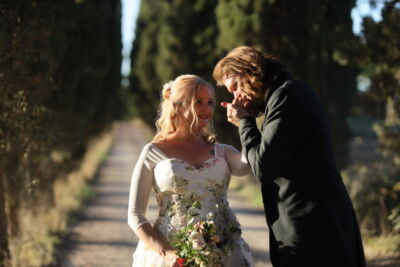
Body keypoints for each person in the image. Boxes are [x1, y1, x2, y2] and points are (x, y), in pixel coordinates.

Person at [213, 46, 366, 267]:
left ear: (250, 70)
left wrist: (244, 122)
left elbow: (263, 167)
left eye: (235, 86)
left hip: (316, 225)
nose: (236, 96)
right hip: (304, 222)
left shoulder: (287, 95)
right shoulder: (280, 98)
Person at [127, 74, 255, 267]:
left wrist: (245, 121)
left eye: (210, 102)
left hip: (222, 254)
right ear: (178, 105)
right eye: (199, 102)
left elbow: (249, 164)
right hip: (173, 255)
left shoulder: (223, 152)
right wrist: (167, 253)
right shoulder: (153, 152)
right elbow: (135, 214)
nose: (207, 109)